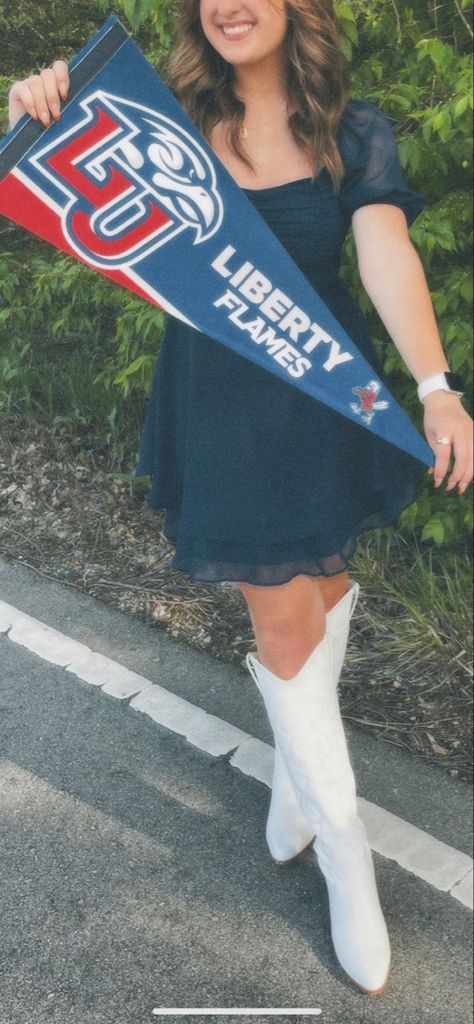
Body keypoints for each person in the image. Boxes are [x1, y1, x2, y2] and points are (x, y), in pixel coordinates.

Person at [8, 0, 473, 998]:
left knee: (331, 584)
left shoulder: (351, 126)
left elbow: (387, 253)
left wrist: (435, 387)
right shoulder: (158, 114)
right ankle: (347, 858)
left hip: (324, 397)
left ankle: (290, 779)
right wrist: (42, 101)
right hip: (219, 409)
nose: (228, 5)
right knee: (288, 627)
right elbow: (63, 175)